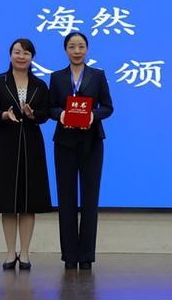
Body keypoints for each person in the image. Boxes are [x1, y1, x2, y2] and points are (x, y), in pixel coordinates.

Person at [49, 32, 114, 270]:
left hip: (92, 142)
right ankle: (69, 256)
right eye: (72, 46)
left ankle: (86, 256)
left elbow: (108, 107)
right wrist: (62, 114)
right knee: (66, 199)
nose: (77, 51)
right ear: (65, 49)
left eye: (81, 46)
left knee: (90, 200)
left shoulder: (98, 75)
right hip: (64, 143)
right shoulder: (57, 77)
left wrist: (92, 116)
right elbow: (50, 107)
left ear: (87, 49)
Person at [0, 38, 52, 270]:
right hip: (6, 144)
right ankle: (9, 253)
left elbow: (45, 114)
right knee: (7, 202)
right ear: (10, 55)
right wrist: (4, 115)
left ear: (32, 57)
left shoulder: (40, 85)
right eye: (17, 52)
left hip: (31, 144)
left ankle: (24, 253)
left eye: (26, 53)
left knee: (28, 202)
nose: (21, 56)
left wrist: (33, 115)